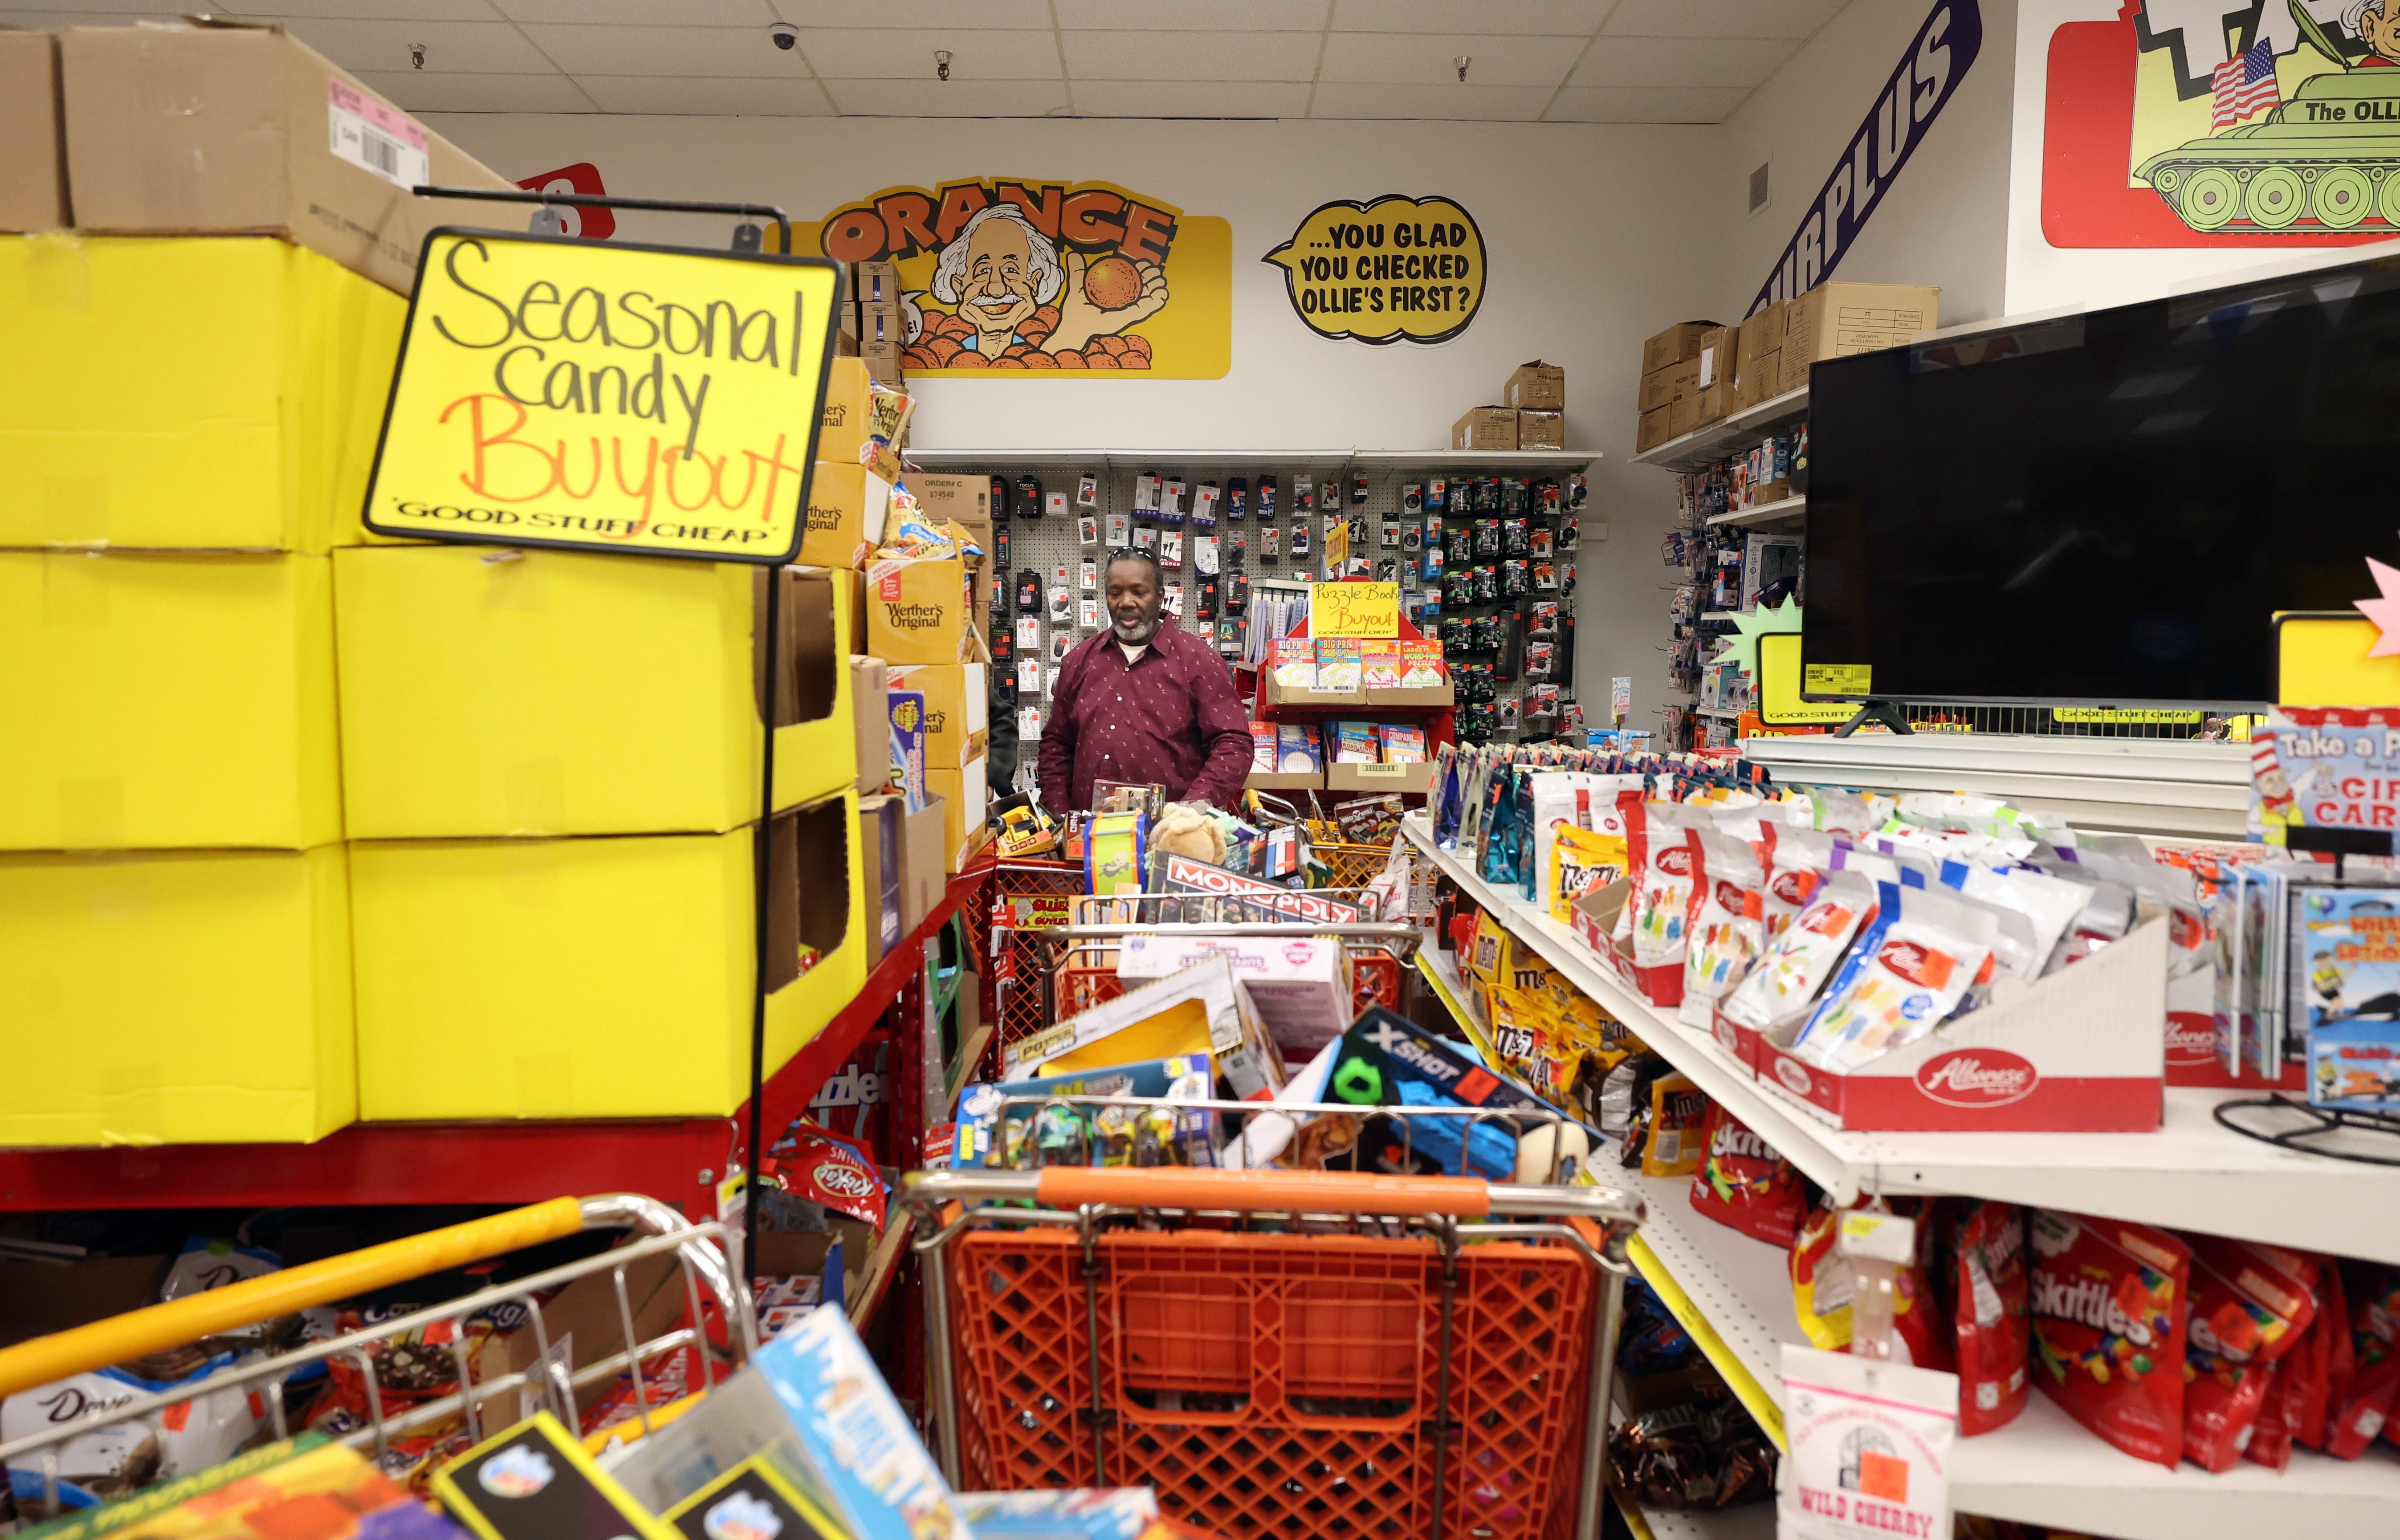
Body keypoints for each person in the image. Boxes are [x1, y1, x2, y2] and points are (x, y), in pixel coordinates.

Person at [1038, 549, 1252, 813]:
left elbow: (1233, 744)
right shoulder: (1078, 661)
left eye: (1139, 592)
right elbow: (1056, 745)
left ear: (1160, 596)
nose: (1126, 602)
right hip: (1088, 832)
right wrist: (1060, 815)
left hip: (1169, 832)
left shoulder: (1199, 661)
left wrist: (1189, 811)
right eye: (1115, 593)